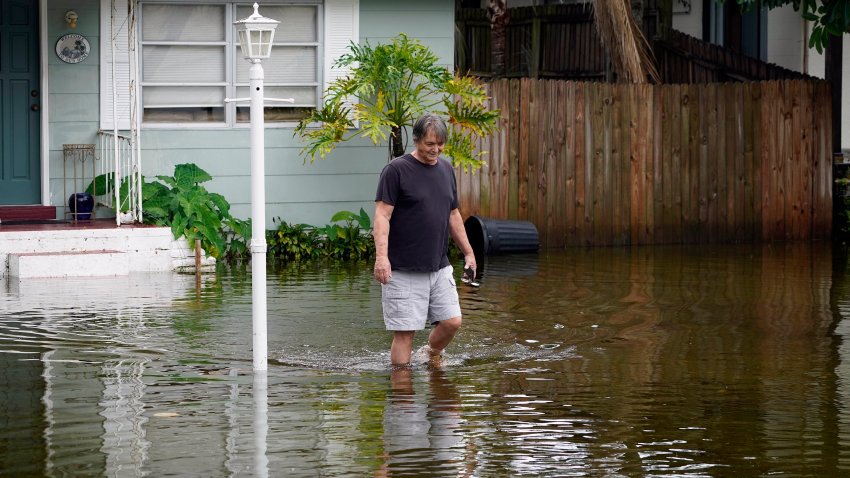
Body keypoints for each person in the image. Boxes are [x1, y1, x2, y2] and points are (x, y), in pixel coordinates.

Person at [373, 113, 477, 368]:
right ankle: (402, 395)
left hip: (438, 265)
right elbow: (382, 215)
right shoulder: (396, 170)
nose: (436, 150)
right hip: (403, 267)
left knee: (452, 321)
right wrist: (381, 258)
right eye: (430, 144)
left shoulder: (445, 169)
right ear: (417, 140)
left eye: (440, 144)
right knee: (405, 332)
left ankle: (430, 353)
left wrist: (469, 252)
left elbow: (453, 214)